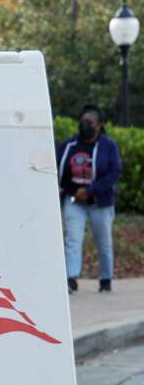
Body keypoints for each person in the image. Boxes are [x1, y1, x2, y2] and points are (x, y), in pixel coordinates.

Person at [58, 104, 122, 293]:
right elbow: (60, 171)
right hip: (74, 201)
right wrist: (73, 190)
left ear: (99, 125)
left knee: (104, 242)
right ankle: (71, 278)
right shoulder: (68, 146)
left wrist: (91, 190)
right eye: (83, 121)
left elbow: (114, 172)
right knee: (72, 239)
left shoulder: (108, 146)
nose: (85, 125)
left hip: (100, 203)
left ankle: (106, 278)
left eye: (90, 122)